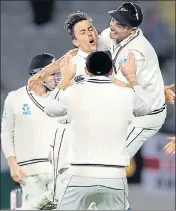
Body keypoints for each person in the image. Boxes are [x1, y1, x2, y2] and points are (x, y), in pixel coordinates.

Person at [27, 5, 170, 159]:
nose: (112, 27)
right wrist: (43, 72)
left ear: (132, 31)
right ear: (75, 40)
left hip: (144, 116)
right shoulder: (110, 36)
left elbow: (125, 91)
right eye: (114, 20)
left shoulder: (134, 52)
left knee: (112, 158)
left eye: (120, 25)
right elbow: (75, 54)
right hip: (92, 124)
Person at [45, 51, 151, 210]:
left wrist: (66, 80)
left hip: (80, 175)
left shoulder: (74, 91)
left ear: (86, 70)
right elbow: (146, 107)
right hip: (114, 176)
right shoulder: (126, 94)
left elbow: (50, 109)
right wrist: (131, 77)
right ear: (111, 71)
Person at [1, 53, 59, 209]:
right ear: (39, 74)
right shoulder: (15, 98)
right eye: (53, 73)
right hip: (29, 170)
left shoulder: (61, 97)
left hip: (57, 169)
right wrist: (12, 164)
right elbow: (6, 132)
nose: (56, 78)